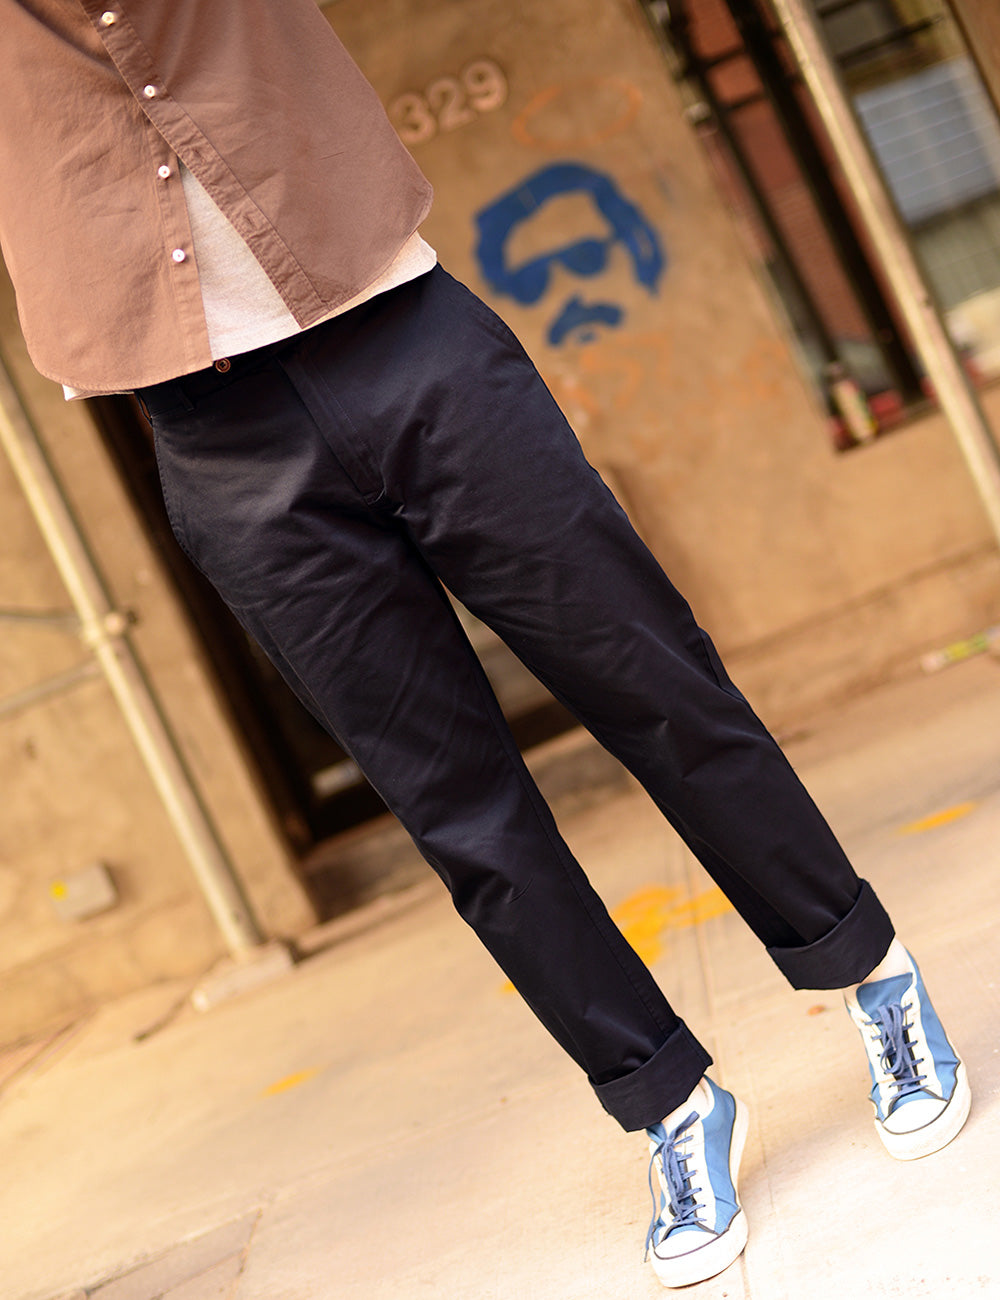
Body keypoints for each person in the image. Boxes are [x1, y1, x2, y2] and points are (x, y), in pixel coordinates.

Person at [0, 1, 971, 1287]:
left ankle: (872, 975)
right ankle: (668, 1104)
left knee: (654, 680)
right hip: (217, 441)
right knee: (461, 812)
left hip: (404, 342)